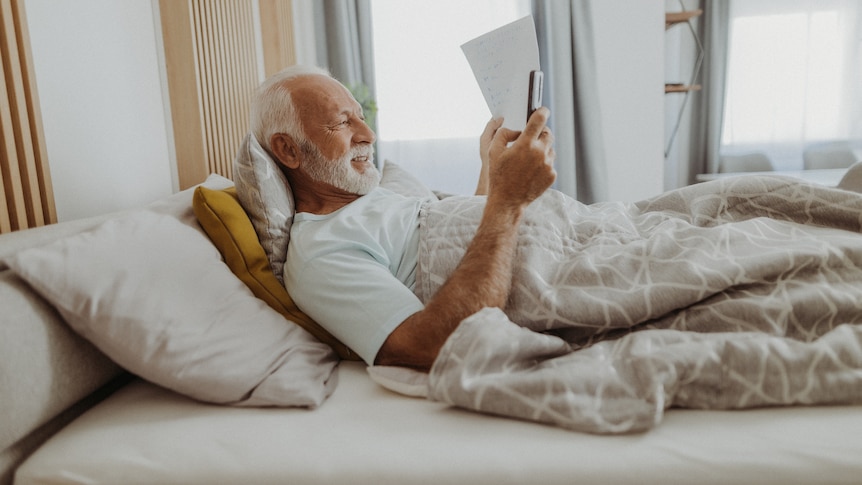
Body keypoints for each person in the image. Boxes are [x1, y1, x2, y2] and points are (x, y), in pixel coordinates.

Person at [250, 65, 556, 372]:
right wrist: (508, 202)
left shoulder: (376, 198)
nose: (369, 135)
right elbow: (429, 346)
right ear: (288, 149)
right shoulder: (321, 253)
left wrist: (491, 169)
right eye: (342, 123)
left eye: (361, 117)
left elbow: (465, 246)